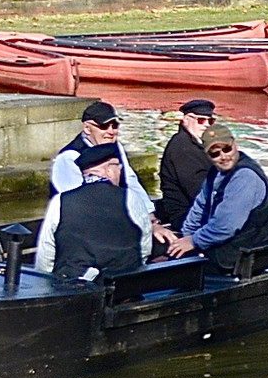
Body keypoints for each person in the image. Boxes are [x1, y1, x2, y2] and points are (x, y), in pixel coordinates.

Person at [51, 100, 172, 253]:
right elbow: (80, 204)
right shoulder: (68, 158)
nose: (111, 131)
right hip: (81, 234)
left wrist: (152, 221)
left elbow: (131, 183)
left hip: (115, 222)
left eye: (115, 126)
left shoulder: (116, 148)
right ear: (87, 128)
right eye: (104, 126)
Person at [169, 124, 268, 274]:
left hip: (246, 254)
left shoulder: (245, 177)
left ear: (235, 144)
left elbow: (225, 226)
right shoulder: (215, 174)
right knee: (172, 256)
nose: (223, 156)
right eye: (215, 154)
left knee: (181, 272)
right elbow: (200, 207)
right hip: (224, 246)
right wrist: (186, 235)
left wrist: (193, 241)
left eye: (227, 149)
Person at [35, 141, 153, 282]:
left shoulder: (60, 201)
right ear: (109, 170)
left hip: (74, 289)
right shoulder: (131, 198)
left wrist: (46, 282)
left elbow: (46, 252)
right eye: (118, 167)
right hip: (123, 288)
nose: (120, 172)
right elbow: (145, 246)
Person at [154, 98, 217, 229]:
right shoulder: (182, 147)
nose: (206, 125)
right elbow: (198, 191)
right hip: (187, 216)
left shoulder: (201, 145)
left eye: (210, 121)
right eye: (201, 120)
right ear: (186, 120)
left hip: (201, 211)